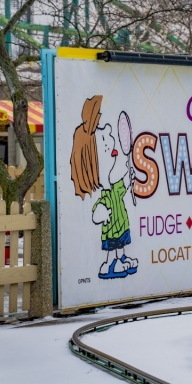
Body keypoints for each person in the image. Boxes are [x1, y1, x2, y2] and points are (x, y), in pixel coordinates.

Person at [70, 95, 138, 279]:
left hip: (122, 226)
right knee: (112, 248)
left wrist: (128, 179)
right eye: (108, 151)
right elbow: (97, 209)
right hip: (112, 230)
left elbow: (122, 188)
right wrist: (100, 213)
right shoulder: (104, 194)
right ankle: (110, 263)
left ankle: (121, 259)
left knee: (121, 246)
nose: (108, 130)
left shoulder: (115, 186)